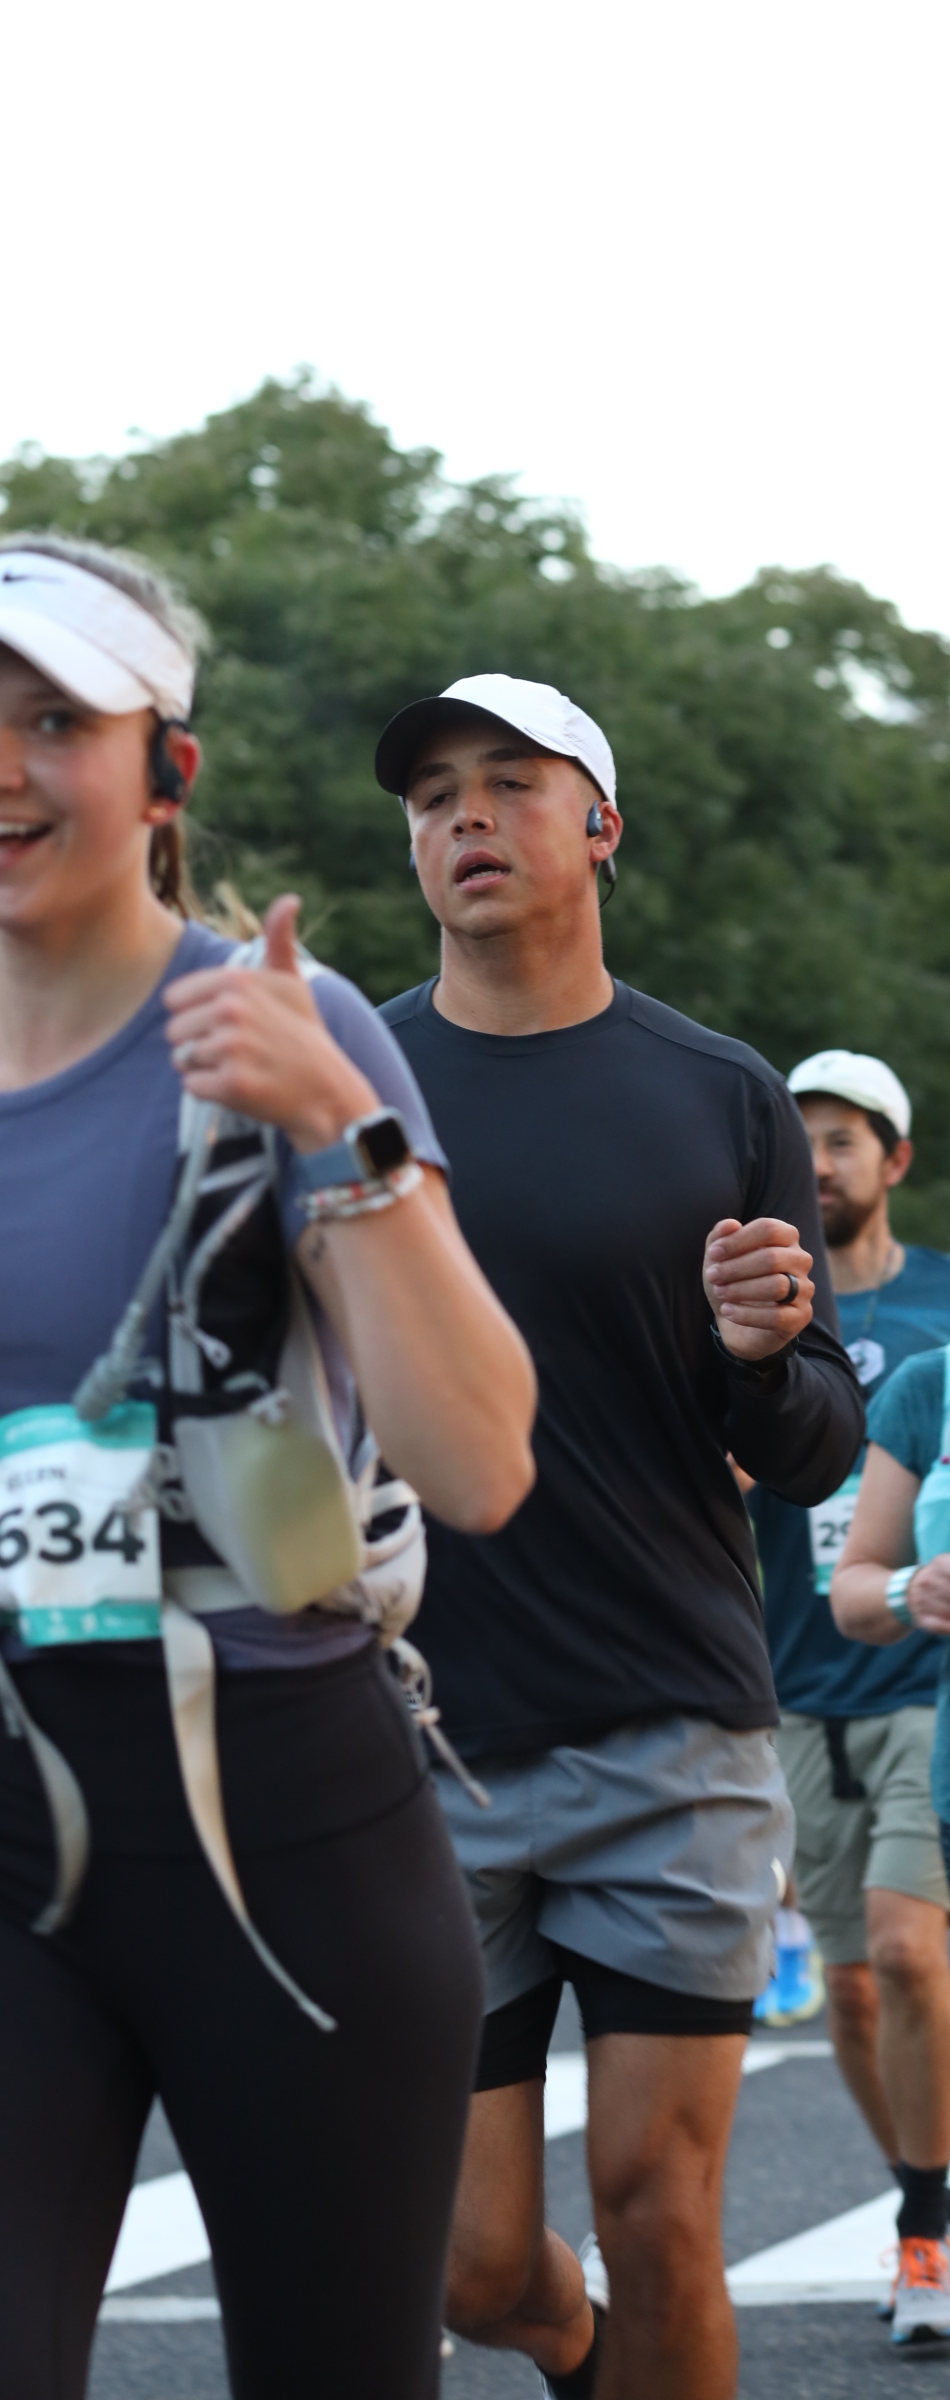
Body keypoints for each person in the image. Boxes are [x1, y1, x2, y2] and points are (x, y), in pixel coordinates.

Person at [0, 533, 536, 2400]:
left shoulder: (295, 1031)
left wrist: (336, 1122)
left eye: (54, 721)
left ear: (167, 771)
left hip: (288, 1828)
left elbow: (479, 1462)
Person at [374, 673, 864, 2400]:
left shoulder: (720, 1093)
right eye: (433, 793)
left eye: (510, 781)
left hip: (671, 1724)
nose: (466, 815)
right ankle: (577, 2360)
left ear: (601, 826)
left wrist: (761, 1354)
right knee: (466, 2265)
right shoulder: (349, 1088)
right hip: (416, 1733)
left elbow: (813, 1444)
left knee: (661, 2216)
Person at [747, 1049, 950, 2342]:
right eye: (799, 1139)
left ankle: (925, 2233)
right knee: (856, 1985)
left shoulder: (942, 1310)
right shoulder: (753, 1305)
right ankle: (925, 2198)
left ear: (894, 1160)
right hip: (799, 1683)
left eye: (842, 1139)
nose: (818, 1162)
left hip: (928, 1683)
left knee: (908, 1948)